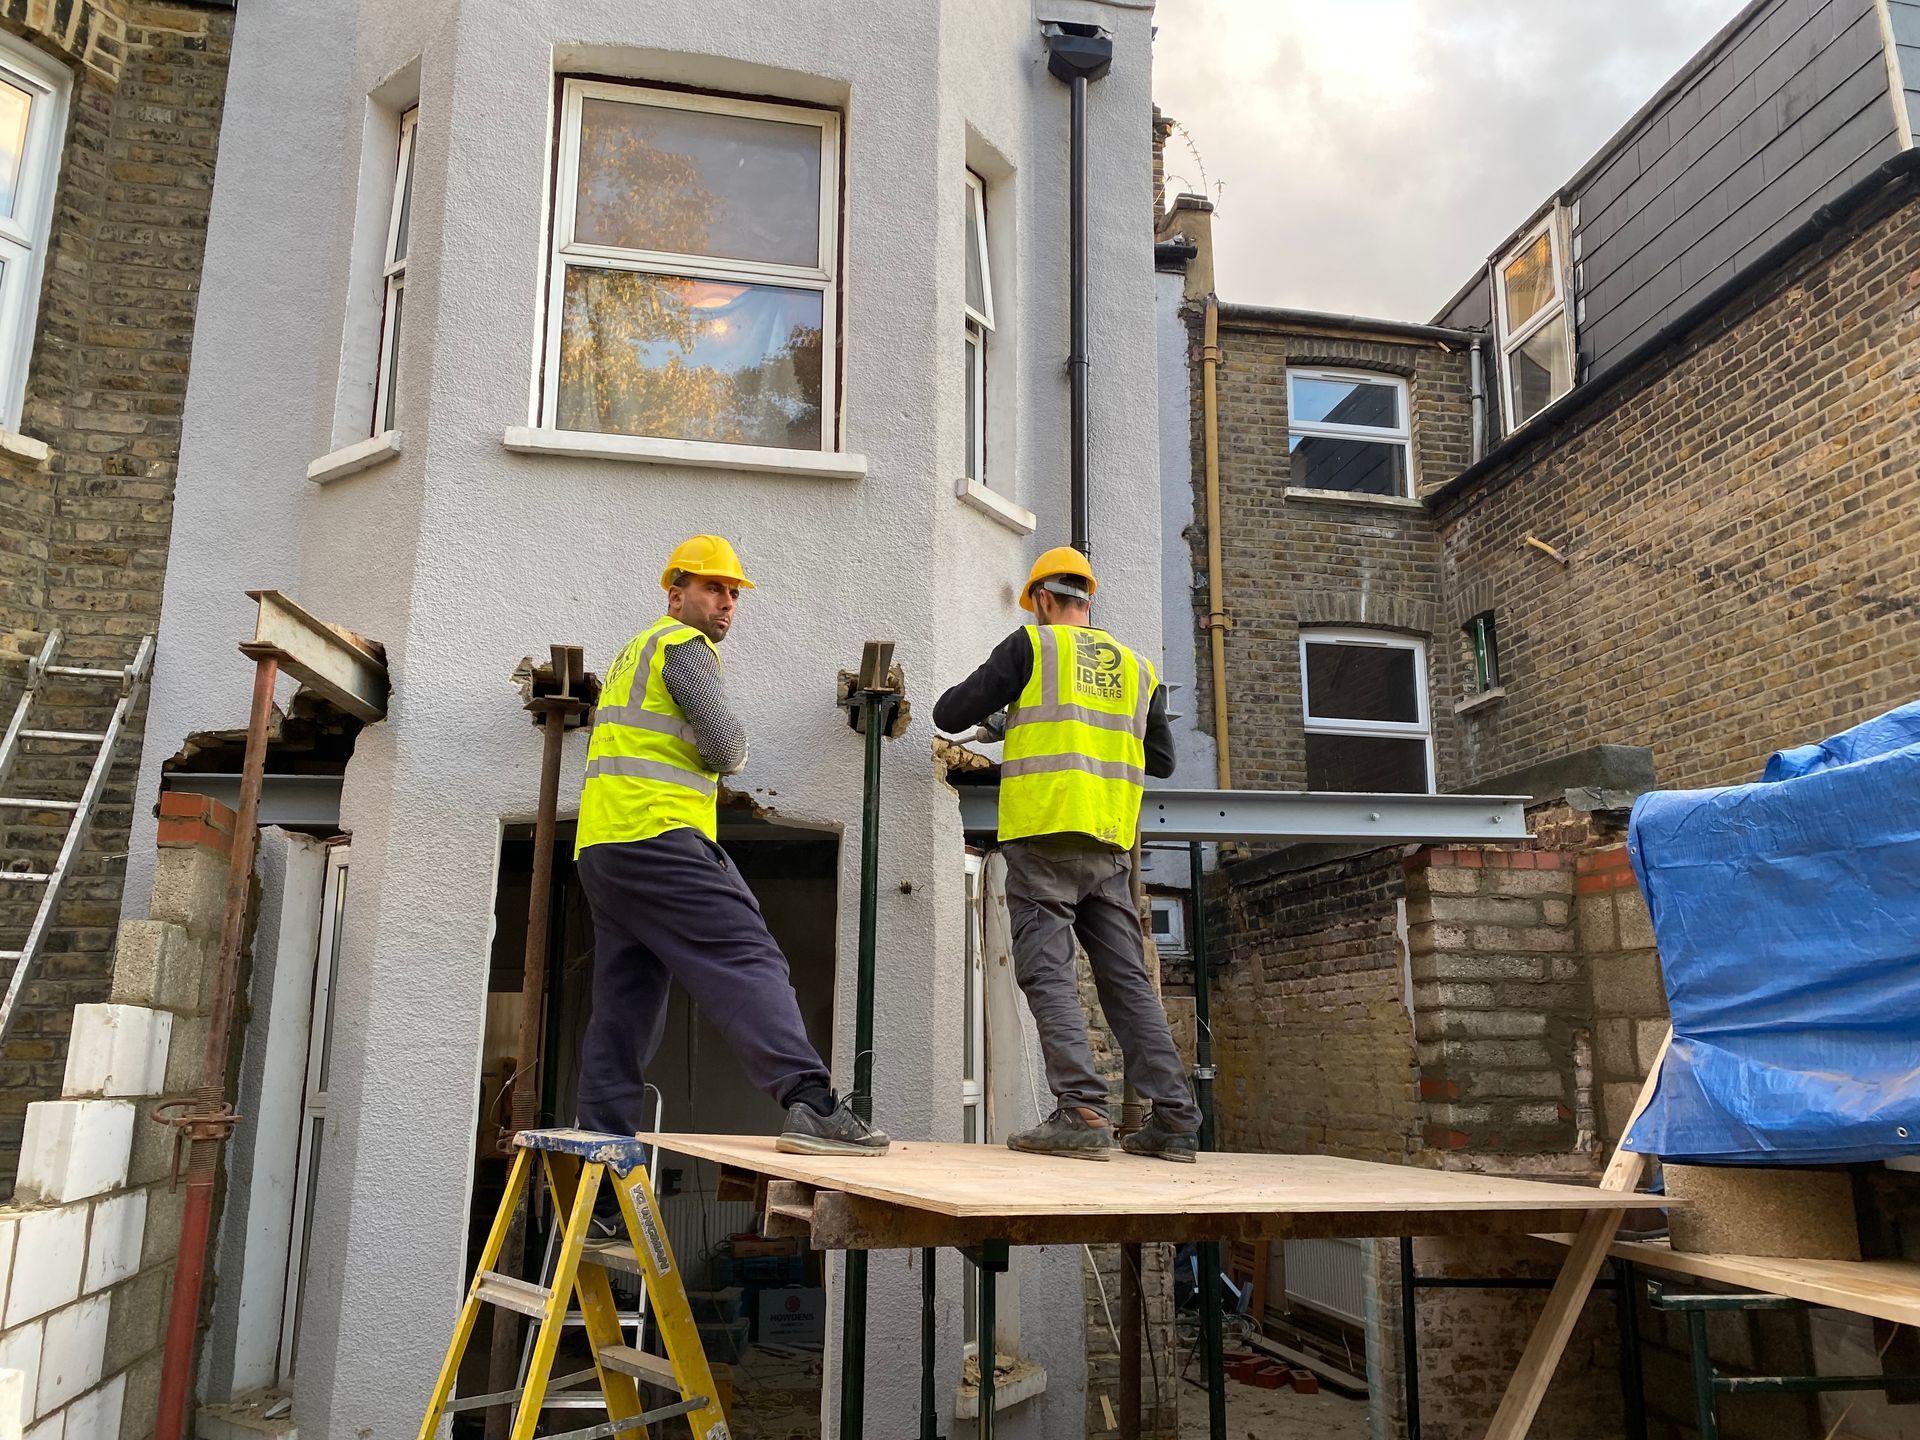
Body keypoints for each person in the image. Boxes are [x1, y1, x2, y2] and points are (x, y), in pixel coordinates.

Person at [573, 534, 888, 1175]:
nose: (726, 603)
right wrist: (738, 745)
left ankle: (601, 1171)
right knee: (747, 956)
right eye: (714, 588)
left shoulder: (634, 652)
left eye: (733, 593)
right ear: (676, 593)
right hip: (658, 835)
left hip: (605, 851)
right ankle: (811, 1104)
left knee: (625, 1009)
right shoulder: (682, 647)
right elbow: (724, 747)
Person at [934, 546, 1201, 1162]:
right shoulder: (1137, 667)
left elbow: (950, 712)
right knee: (1127, 981)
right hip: (1109, 843)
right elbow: (1160, 760)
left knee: (1047, 973)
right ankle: (1176, 1120)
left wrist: (1006, 719)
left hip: (1044, 831)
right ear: (1087, 600)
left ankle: (1081, 1109)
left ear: (1044, 601)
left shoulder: (1033, 647)